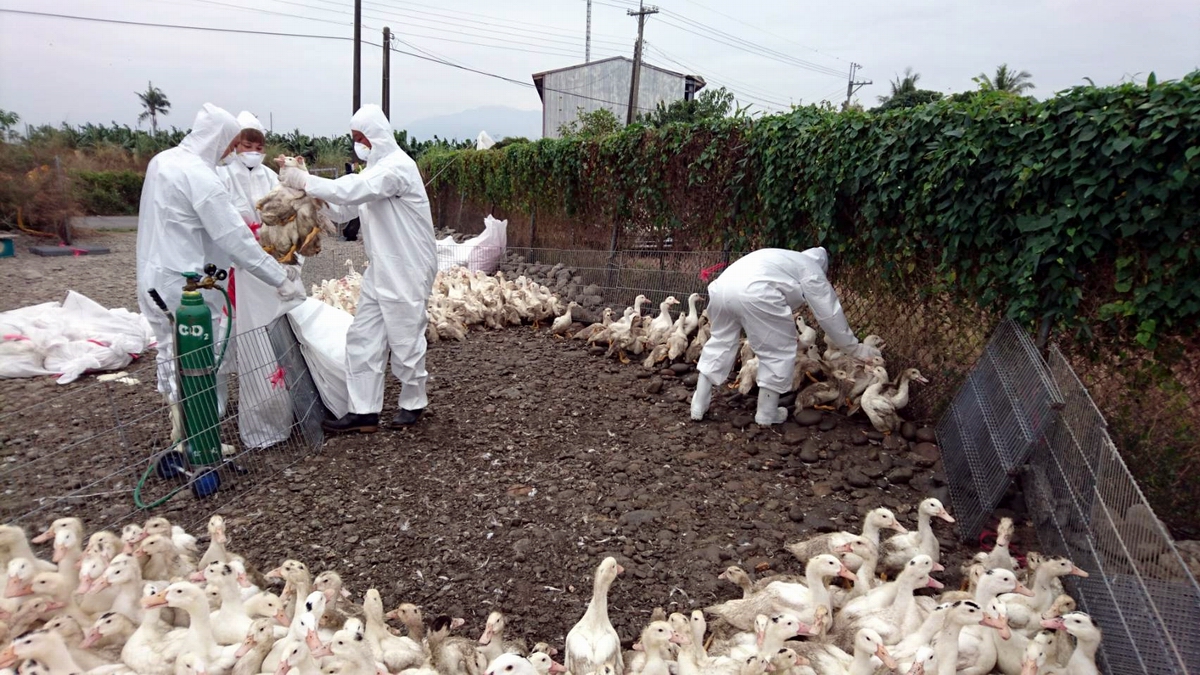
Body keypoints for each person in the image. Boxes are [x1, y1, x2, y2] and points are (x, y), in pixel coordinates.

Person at [136, 103, 306, 443]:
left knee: (172, 352)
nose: (230, 152)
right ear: (219, 139)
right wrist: (279, 277)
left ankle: (182, 430)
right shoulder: (200, 177)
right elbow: (235, 239)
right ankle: (201, 435)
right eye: (231, 144)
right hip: (187, 283)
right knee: (201, 354)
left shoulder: (164, 161)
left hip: (154, 276)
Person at [279, 104, 437, 433]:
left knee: (406, 339)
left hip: (407, 269)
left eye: (360, 137)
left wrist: (305, 179)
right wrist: (310, 195)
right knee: (362, 337)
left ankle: (413, 402)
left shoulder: (396, 169)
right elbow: (344, 206)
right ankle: (364, 411)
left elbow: (352, 189)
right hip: (382, 268)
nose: (358, 144)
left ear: (375, 136)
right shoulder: (373, 173)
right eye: (354, 138)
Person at [690, 247, 881, 426]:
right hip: (756, 292)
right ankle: (767, 413)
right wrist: (855, 348)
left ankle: (698, 404)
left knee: (720, 343)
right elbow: (829, 314)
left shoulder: (785, 258)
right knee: (777, 349)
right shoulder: (811, 269)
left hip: (722, 288)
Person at [217, 111, 298, 449]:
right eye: (247, 144)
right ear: (236, 145)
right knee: (221, 342)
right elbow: (223, 220)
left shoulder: (269, 176)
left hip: (266, 261)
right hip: (232, 265)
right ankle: (215, 407)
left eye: (258, 145)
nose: (253, 149)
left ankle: (272, 405)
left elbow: (284, 214)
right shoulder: (222, 176)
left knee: (264, 340)